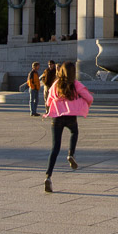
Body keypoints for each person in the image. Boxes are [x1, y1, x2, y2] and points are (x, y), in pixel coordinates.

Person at [44, 61, 93, 193]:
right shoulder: (76, 84)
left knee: (55, 147)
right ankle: (71, 154)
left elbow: (49, 100)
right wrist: (82, 104)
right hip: (71, 116)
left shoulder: (56, 84)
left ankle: (48, 177)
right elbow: (89, 98)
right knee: (74, 132)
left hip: (57, 118)